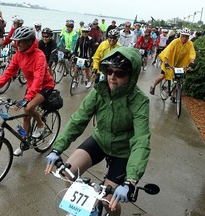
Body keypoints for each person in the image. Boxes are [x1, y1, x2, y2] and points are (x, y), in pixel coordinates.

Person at [44, 46, 151, 216]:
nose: (112, 77)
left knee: (109, 201)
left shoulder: (139, 101)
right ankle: (80, 209)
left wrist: (131, 181)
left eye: (120, 73)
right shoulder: (99, 91)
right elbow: (78, 119)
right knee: (68, 173)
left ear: (132, 76)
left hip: (122, 151)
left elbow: (141, 140)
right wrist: (57, 148)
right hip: (100, 140)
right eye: (109, 71)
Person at [0, 26, 55, 156]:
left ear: (29, 42)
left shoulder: (39, 56)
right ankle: (24, 142)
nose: (16, 44)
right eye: (15, 41)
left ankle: (41, 125)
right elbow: (9, 72)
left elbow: (38, 79)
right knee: (25, 117)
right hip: (31, 87)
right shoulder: (19, 54)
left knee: (28, 107)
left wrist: (27, 98)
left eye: (20, 41)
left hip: (45, 86)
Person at [149, 28, 196, 103]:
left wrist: (192, 62)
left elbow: (192, 53)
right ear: (181, 36)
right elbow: (168, 51)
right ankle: (153, 86)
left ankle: (174, 96)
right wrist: (166, 62)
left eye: (186, 37)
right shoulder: (175, 42)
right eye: (183, 36)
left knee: (178, 80)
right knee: (162, 76)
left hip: (180, 64)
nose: (185, 38)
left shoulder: (190, 44)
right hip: (169, 61)